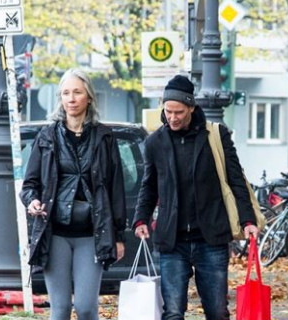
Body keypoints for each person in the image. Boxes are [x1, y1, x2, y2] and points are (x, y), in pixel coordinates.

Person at [133, 75, 259, 320]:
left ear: (191, 107)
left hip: (210, 239)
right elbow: (149, 187)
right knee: (172, 313)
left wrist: (248, 220)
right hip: (172, 241)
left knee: (217, 312)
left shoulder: (216, 136)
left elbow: (236, 181)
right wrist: (141, 219)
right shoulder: (154, 142)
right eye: (168, 111)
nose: (172, 117)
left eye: (178, 111)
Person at [20, 68, 126, 320]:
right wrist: (32, 201)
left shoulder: (104, 137)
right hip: (54, 232)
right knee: (60, 310)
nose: (71, 98)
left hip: (92, 233)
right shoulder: (47, 136)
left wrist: (119, 235)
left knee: (87, 307)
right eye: (65, 93)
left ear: (88, 97)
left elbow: (115, 188)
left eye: (77, 92)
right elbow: (29, 185)